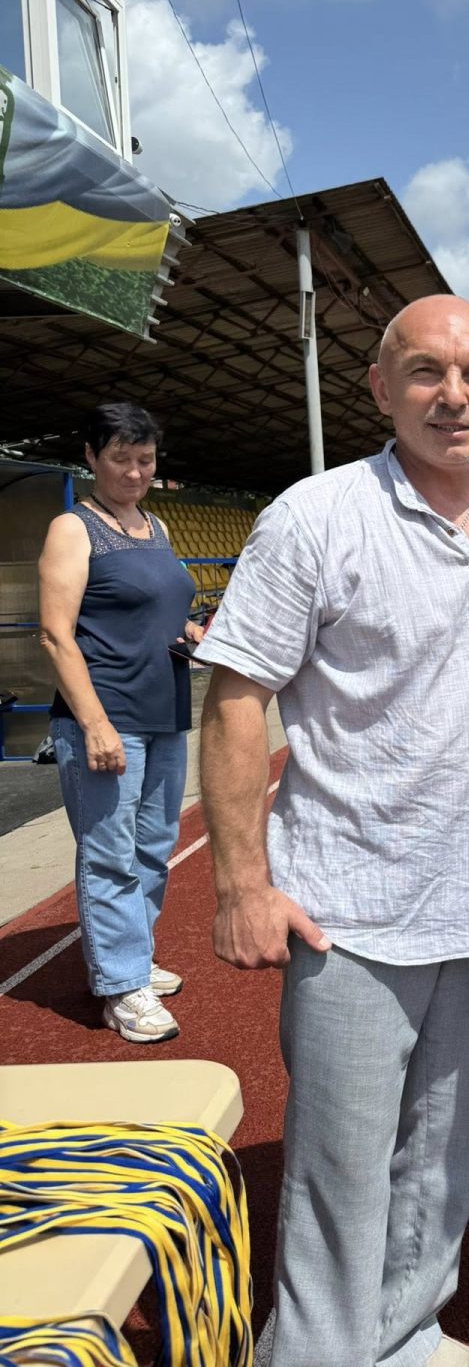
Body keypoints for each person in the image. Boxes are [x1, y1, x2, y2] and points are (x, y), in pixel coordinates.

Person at [196, 296, 469, 1367]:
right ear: (380, 388)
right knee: (341, 1171)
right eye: (426, 371)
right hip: (348, 906)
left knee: (442, 1160)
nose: (454, 396)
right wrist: (240, 886)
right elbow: (235, 701)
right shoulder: (314, 517)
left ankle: (406, 1336)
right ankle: (316, 1355)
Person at [38, 402, 204, 1044]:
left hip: (164, 712)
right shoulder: (73, 529)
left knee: (154, 847)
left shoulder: (154, 527)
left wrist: (187, 631)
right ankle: (120, 984)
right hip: (106, 716)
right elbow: (55, 635)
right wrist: (95, 724)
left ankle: (131, 956)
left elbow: (150, 611)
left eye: (145, 459)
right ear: (90, 457)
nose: (134, 472)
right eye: (120, 458)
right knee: (110, 855)